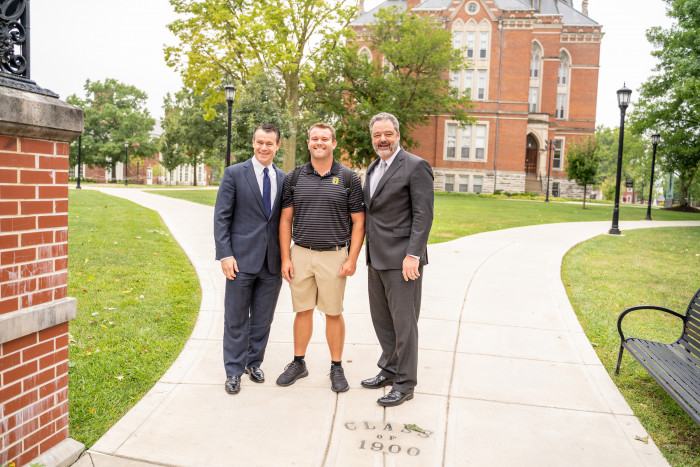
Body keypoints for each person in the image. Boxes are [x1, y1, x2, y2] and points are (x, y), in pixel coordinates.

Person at [277, 122, 365, 393]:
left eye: (324, 139)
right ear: (308, 143)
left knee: (333, 313)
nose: (319, 143)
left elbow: (359, 223)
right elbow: (285, 220)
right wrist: (285, 258)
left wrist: (351, 259)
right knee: (302, 311)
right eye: (314, 139)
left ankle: (336, 367)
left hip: (334, 256)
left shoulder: (349, 178)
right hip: (301, 253)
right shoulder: (294, 177)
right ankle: (298, 362)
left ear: (334, 143)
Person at [360, 112, 434, 407]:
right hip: (375, 259)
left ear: (398, 135)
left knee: (404, 325)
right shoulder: (373, 168)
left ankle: (405, 384)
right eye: (377, 135)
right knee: (382, 322)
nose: (382, 139)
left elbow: (423, 215)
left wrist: (412, 255)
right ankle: (389, 369)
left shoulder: (416, 166)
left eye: (388, 134)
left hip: (403, 260)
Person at [214, 123, 286, 395]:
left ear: (277, 146)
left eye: (269, 143)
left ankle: (253, 362)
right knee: (235, 318)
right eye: (259, 142)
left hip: (271, 263)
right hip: (240, 261)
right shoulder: (234, 174)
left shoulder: (283, 177)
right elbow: (222, 217)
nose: (264, 147)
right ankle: (233, 370)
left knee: (262, 319)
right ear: (253, 143)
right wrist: (225, 254)